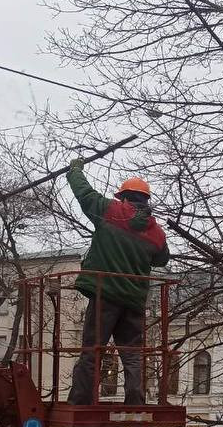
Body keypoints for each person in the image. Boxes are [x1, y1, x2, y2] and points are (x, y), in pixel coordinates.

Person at [65, 162, 170, 410]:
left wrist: (75, 170)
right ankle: (135, 401)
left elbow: (84, 193)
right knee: (132, 354)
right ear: (146, 201)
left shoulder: (110, 211)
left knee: (93, 350)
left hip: (106, 295)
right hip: (133, 301)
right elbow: (162, 258)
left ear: (122, 197)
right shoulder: (156, 232)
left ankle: (81, 402)